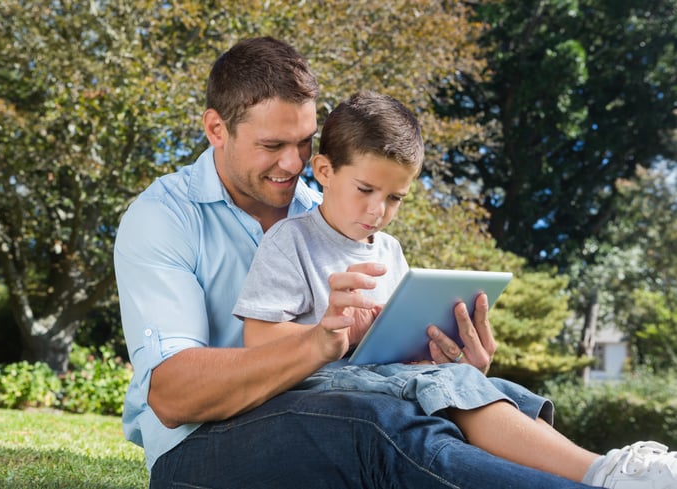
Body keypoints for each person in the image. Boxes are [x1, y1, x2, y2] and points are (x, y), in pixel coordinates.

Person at [112, 35, 657, 488]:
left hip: (325, 408)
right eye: (272, 145)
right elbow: (172, 394)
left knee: (477, 396)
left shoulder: (329, 207)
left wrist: (446, 366)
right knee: (378, 423)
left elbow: (380, 357)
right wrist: (320, 342)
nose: (293, 163)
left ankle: (601, 474)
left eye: (303, 144)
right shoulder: (164, 218)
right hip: (200, 448)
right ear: (216, 129)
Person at [234, 90, 677, 488]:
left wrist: (436, 350)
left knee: (490, 387)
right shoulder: (291, 240)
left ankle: (598, 472)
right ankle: (607, 473)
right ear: (325, 170)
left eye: (395, 198)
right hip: (318, 393)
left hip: (381, 379)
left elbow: (398, 351)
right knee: (448, 387)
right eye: (366, 189)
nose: (378, 210)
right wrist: (337, 333)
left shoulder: (389, 250)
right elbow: (258, 342)